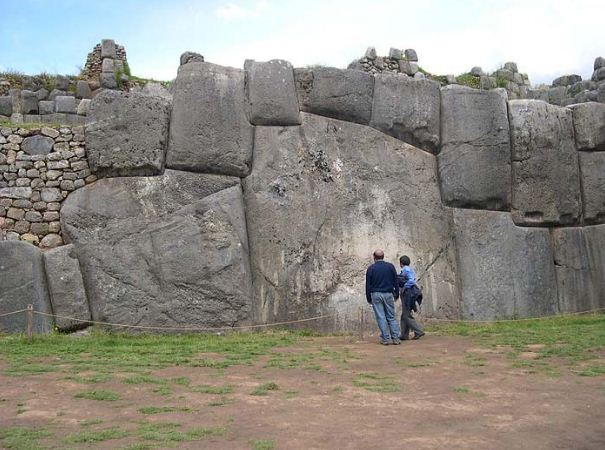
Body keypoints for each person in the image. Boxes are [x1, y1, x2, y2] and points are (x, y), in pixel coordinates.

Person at [365, 249, 401, 345]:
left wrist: (368, 298)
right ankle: (396, 338)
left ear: (374, 257)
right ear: (383, 256)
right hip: (389, 293)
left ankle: (385, 339)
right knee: (391, 316)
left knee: (381, 317)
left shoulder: (371, 269)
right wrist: (397, 294)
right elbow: (395, 281)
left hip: (376, 294)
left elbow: (368, 285)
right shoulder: (390, 267)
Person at [398, 255, 425, 340]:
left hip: (407, 294)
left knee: (406, 315)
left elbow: (411, 280)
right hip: (407, 293)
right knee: (404, 315)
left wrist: (405, 287)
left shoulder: (406, 270)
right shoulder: (408, 269)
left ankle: (418, 331)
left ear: (401, 263)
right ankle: (404, 334)